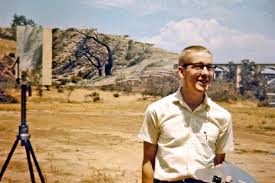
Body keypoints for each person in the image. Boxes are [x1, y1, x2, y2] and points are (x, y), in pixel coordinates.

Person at [138, 45, 234, 183]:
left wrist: (224, 176)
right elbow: (148, 160)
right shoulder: (157, 110)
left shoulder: (223, 116)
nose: (206, 73)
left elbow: (219, 162)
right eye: (198, 66)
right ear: (182, 72)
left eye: (209, 67)